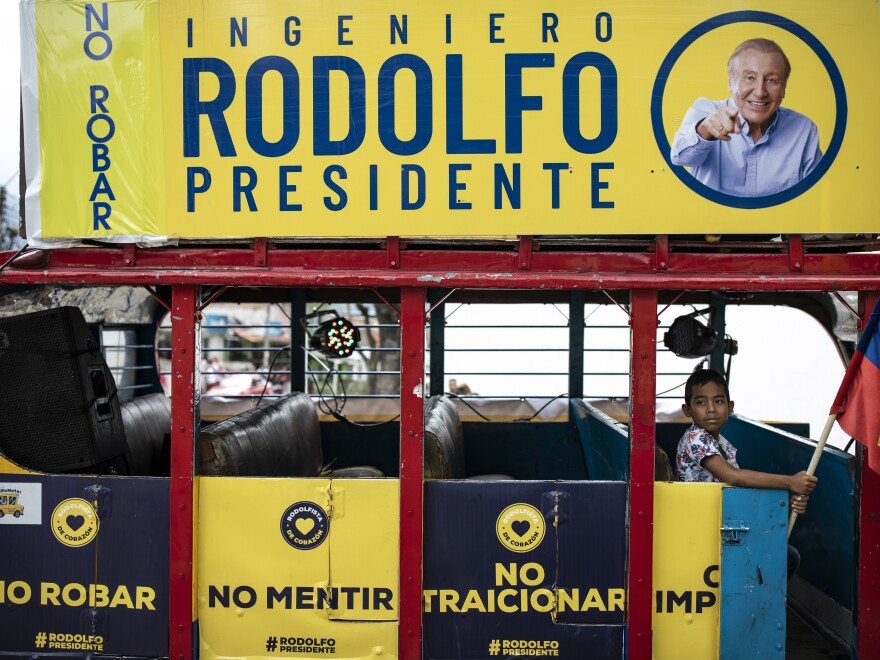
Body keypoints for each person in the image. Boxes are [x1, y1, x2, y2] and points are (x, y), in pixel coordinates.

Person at [675, 368, 817, 578]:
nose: (711, 409)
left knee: (786, 556)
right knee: (786, 558)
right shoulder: (695, 438)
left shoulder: (721, 443)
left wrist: (787, 501)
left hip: (721, 524)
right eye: (701, 402)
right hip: (701, 530)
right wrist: (789, 483)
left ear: (730, 407)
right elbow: (734, 477)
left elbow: (738, 490)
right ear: (687, 410)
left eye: (719, 401)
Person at [670, 38, 822, 197]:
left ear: (784, 88)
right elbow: (679, 158)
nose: (760, 92)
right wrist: (706, 129)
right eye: (750, 77)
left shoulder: (804, 130)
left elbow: (815, 195)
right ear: (730, 83)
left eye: (772, 80)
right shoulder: (705, 111)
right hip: (713, 221)